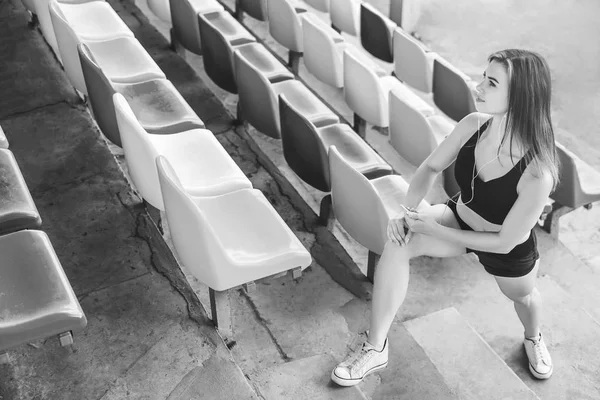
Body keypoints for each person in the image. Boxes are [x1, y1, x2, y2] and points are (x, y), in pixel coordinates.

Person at [331, 49, 559, 386]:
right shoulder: (473, 125)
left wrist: (430, 226)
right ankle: (376, 347)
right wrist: (408, 214)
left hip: (506, 250)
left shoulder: (539, 172)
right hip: (459, 217)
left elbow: (504, 241)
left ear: (520, 97)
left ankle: (533, 337)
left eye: (491, 83)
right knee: (399, 241)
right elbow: (431, 167)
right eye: (483, 77)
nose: (478, 87)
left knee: (524, 298)